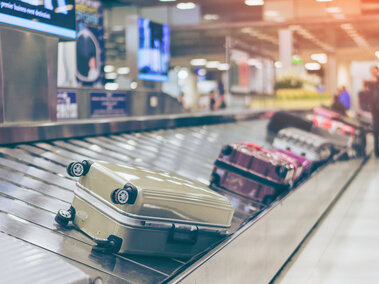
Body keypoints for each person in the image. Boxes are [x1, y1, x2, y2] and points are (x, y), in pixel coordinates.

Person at [367, 65, 379, 157]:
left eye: (374, 70)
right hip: (375, 111)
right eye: (372, 70)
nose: (373, 72)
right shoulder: (370, 83)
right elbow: (369, 96)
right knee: (375, 130)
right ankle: (376, 151)